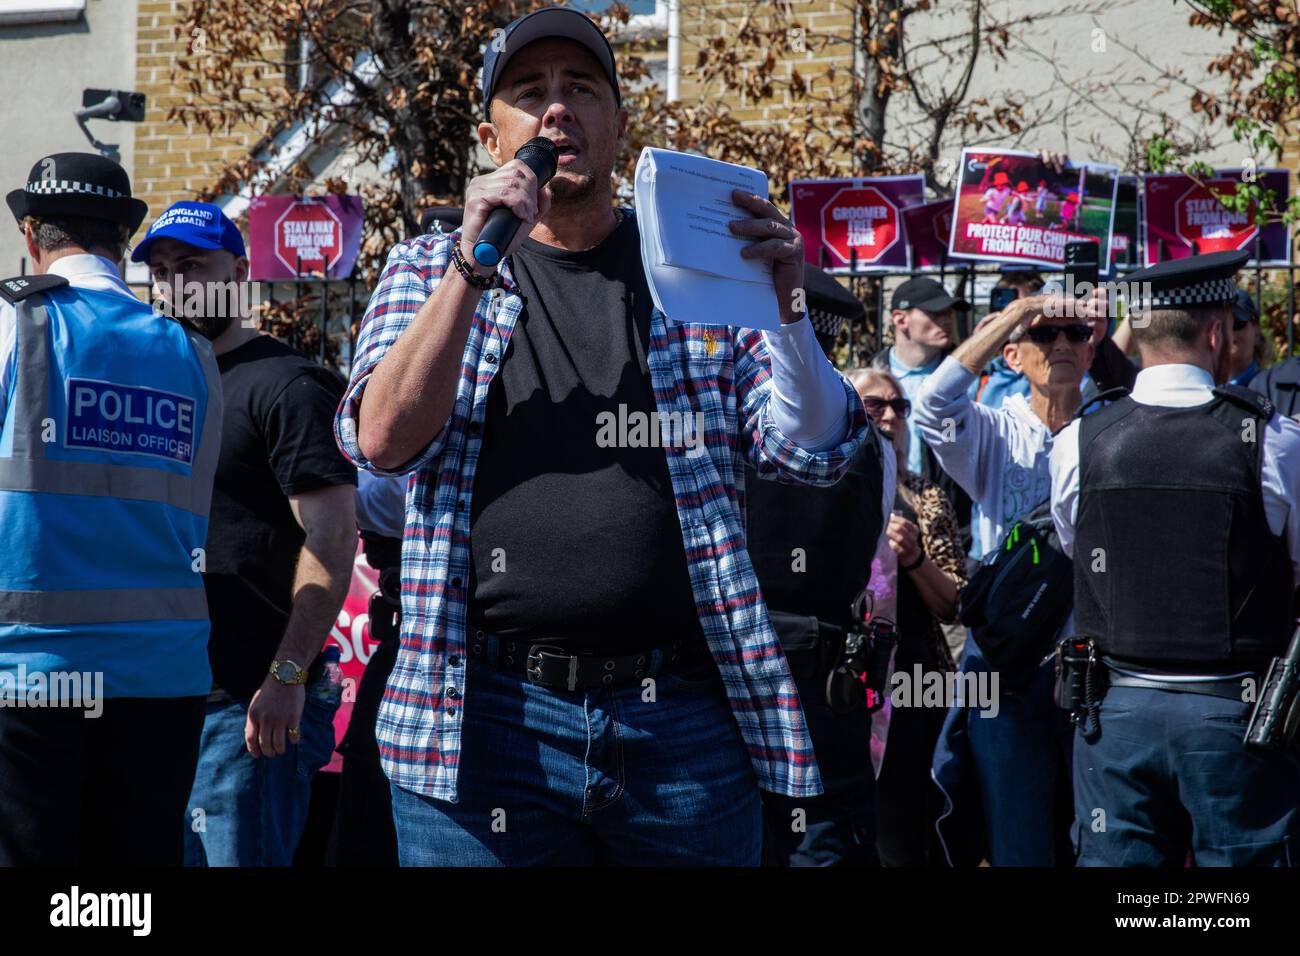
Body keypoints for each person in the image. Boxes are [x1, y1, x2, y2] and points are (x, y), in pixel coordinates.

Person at [335, 5, 869, 866]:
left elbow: (806, 450)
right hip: (481, 721)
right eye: (529, 92)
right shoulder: (428, 269)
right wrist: (472, 270)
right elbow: (382, 440)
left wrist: (786, 315)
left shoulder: (693, 274)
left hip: (683, 721)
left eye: (580, 88)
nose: (556, 109)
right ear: (490, 133)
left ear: (618, 124)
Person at [0, 154, 222, 865]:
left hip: (30, 678)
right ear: (122, 241)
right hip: (164, 679)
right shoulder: (191, 352)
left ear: (31, 234)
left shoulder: (13, 323)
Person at [1051, 250, 1300, 866]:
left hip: (1115, 716)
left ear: (1137, 334)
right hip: (1233, 718)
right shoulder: (1270, 439)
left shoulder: (1080, 439)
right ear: (1217, 331)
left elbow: (1073, 546)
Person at [135, 201, 359, 866]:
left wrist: (287, 675)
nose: (177, 283)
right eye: (164, 270)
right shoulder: (154, 386)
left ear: (238, 271)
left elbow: (333, 540)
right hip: (159, 696)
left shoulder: (289, 385)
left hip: (250, 706)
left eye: (194, 266)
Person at [914, 291, 1096, 866]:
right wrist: (1019, 313)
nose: (1062, 344)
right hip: (1004, 673)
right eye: (1045, 335)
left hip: (1094, 670)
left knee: (1100, 845)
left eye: (1075, 334)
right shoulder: (993, 431)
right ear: (1013, 357)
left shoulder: (1113, 429)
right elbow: (931, 407)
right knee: (1020, 847)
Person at [747, 267, 891, 867]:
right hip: (829, 678)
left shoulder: (733, 428)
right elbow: (871, 550)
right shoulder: (869, 443)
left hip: (738, 667)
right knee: (822, 841)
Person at [849, 367, 966, 867]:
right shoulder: (826, 488)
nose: (891, 416)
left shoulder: (926, 497)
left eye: (900, 406)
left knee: (904, 827)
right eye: (875, 405)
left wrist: (914, 557)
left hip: (916, 683)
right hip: (849, 680)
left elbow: (953, 603)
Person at [969, 270, 1042, 410]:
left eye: (1020, 309)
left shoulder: (1052, 364)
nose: (1010, 317)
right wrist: (976, 349)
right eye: (1006, 306)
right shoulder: (984, 372)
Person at [1227, 288, 1272, 387]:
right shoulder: (1201, 390)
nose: (1229, 332)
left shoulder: (1270, 389)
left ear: (1256, 331)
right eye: (1222, 324)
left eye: (1237, 323)